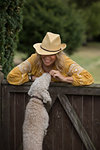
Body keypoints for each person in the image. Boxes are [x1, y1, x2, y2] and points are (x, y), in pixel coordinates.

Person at [7, 32, 94, 86]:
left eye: (51, 54)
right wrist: (32, 78)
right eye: (43, 53)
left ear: (58, 55)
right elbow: (12, 77)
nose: (47, 57)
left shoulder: (65, 62)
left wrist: (64, 78)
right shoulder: (34, 59)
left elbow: (88, 78)